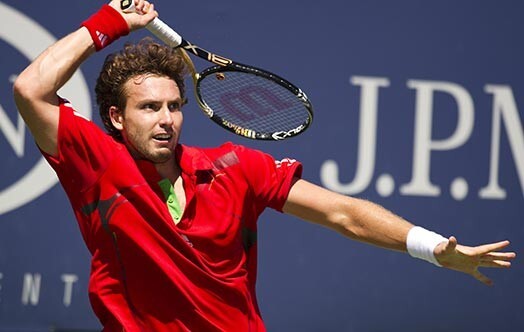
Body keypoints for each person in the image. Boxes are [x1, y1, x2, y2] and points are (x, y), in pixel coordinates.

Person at [13, 1, 515, 331]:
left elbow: (344, 213)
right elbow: (30, 88)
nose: (166, 120)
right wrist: (109, 22)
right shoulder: (95, 164)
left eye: (174, 106)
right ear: (117, 118)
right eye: (149, 108)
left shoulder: (238, 169)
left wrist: (433, 249)